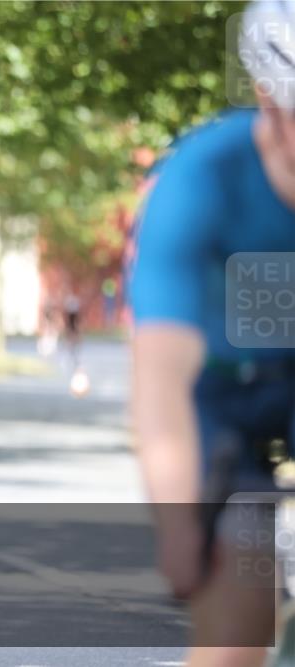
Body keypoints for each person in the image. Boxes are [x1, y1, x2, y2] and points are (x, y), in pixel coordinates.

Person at [129, 2, 295, 664]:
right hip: (220, 393)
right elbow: (161, 371)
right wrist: (178, 522)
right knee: (238, 616)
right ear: (268, 97)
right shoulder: (202, 177)